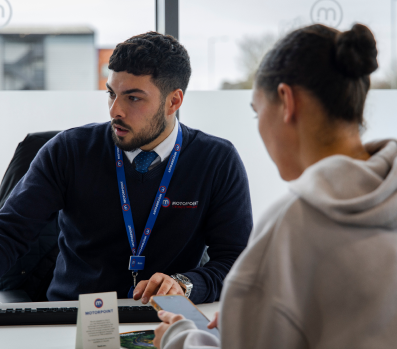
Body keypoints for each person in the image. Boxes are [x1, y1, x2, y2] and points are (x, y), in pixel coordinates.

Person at [153, 23, 397, 348]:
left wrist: (179, 337)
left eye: (257, 112)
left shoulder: (290, 230)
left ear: (286, 101)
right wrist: (253, 312)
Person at [0, 32, 253, 304]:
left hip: (166, 317)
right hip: (74, 318)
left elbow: (236, 262)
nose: (114, 111)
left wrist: (186, 285)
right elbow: (10, 232)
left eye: (133, 98)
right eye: (111, 94)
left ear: (174, 101)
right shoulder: (68, 151)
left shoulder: (216, 160)